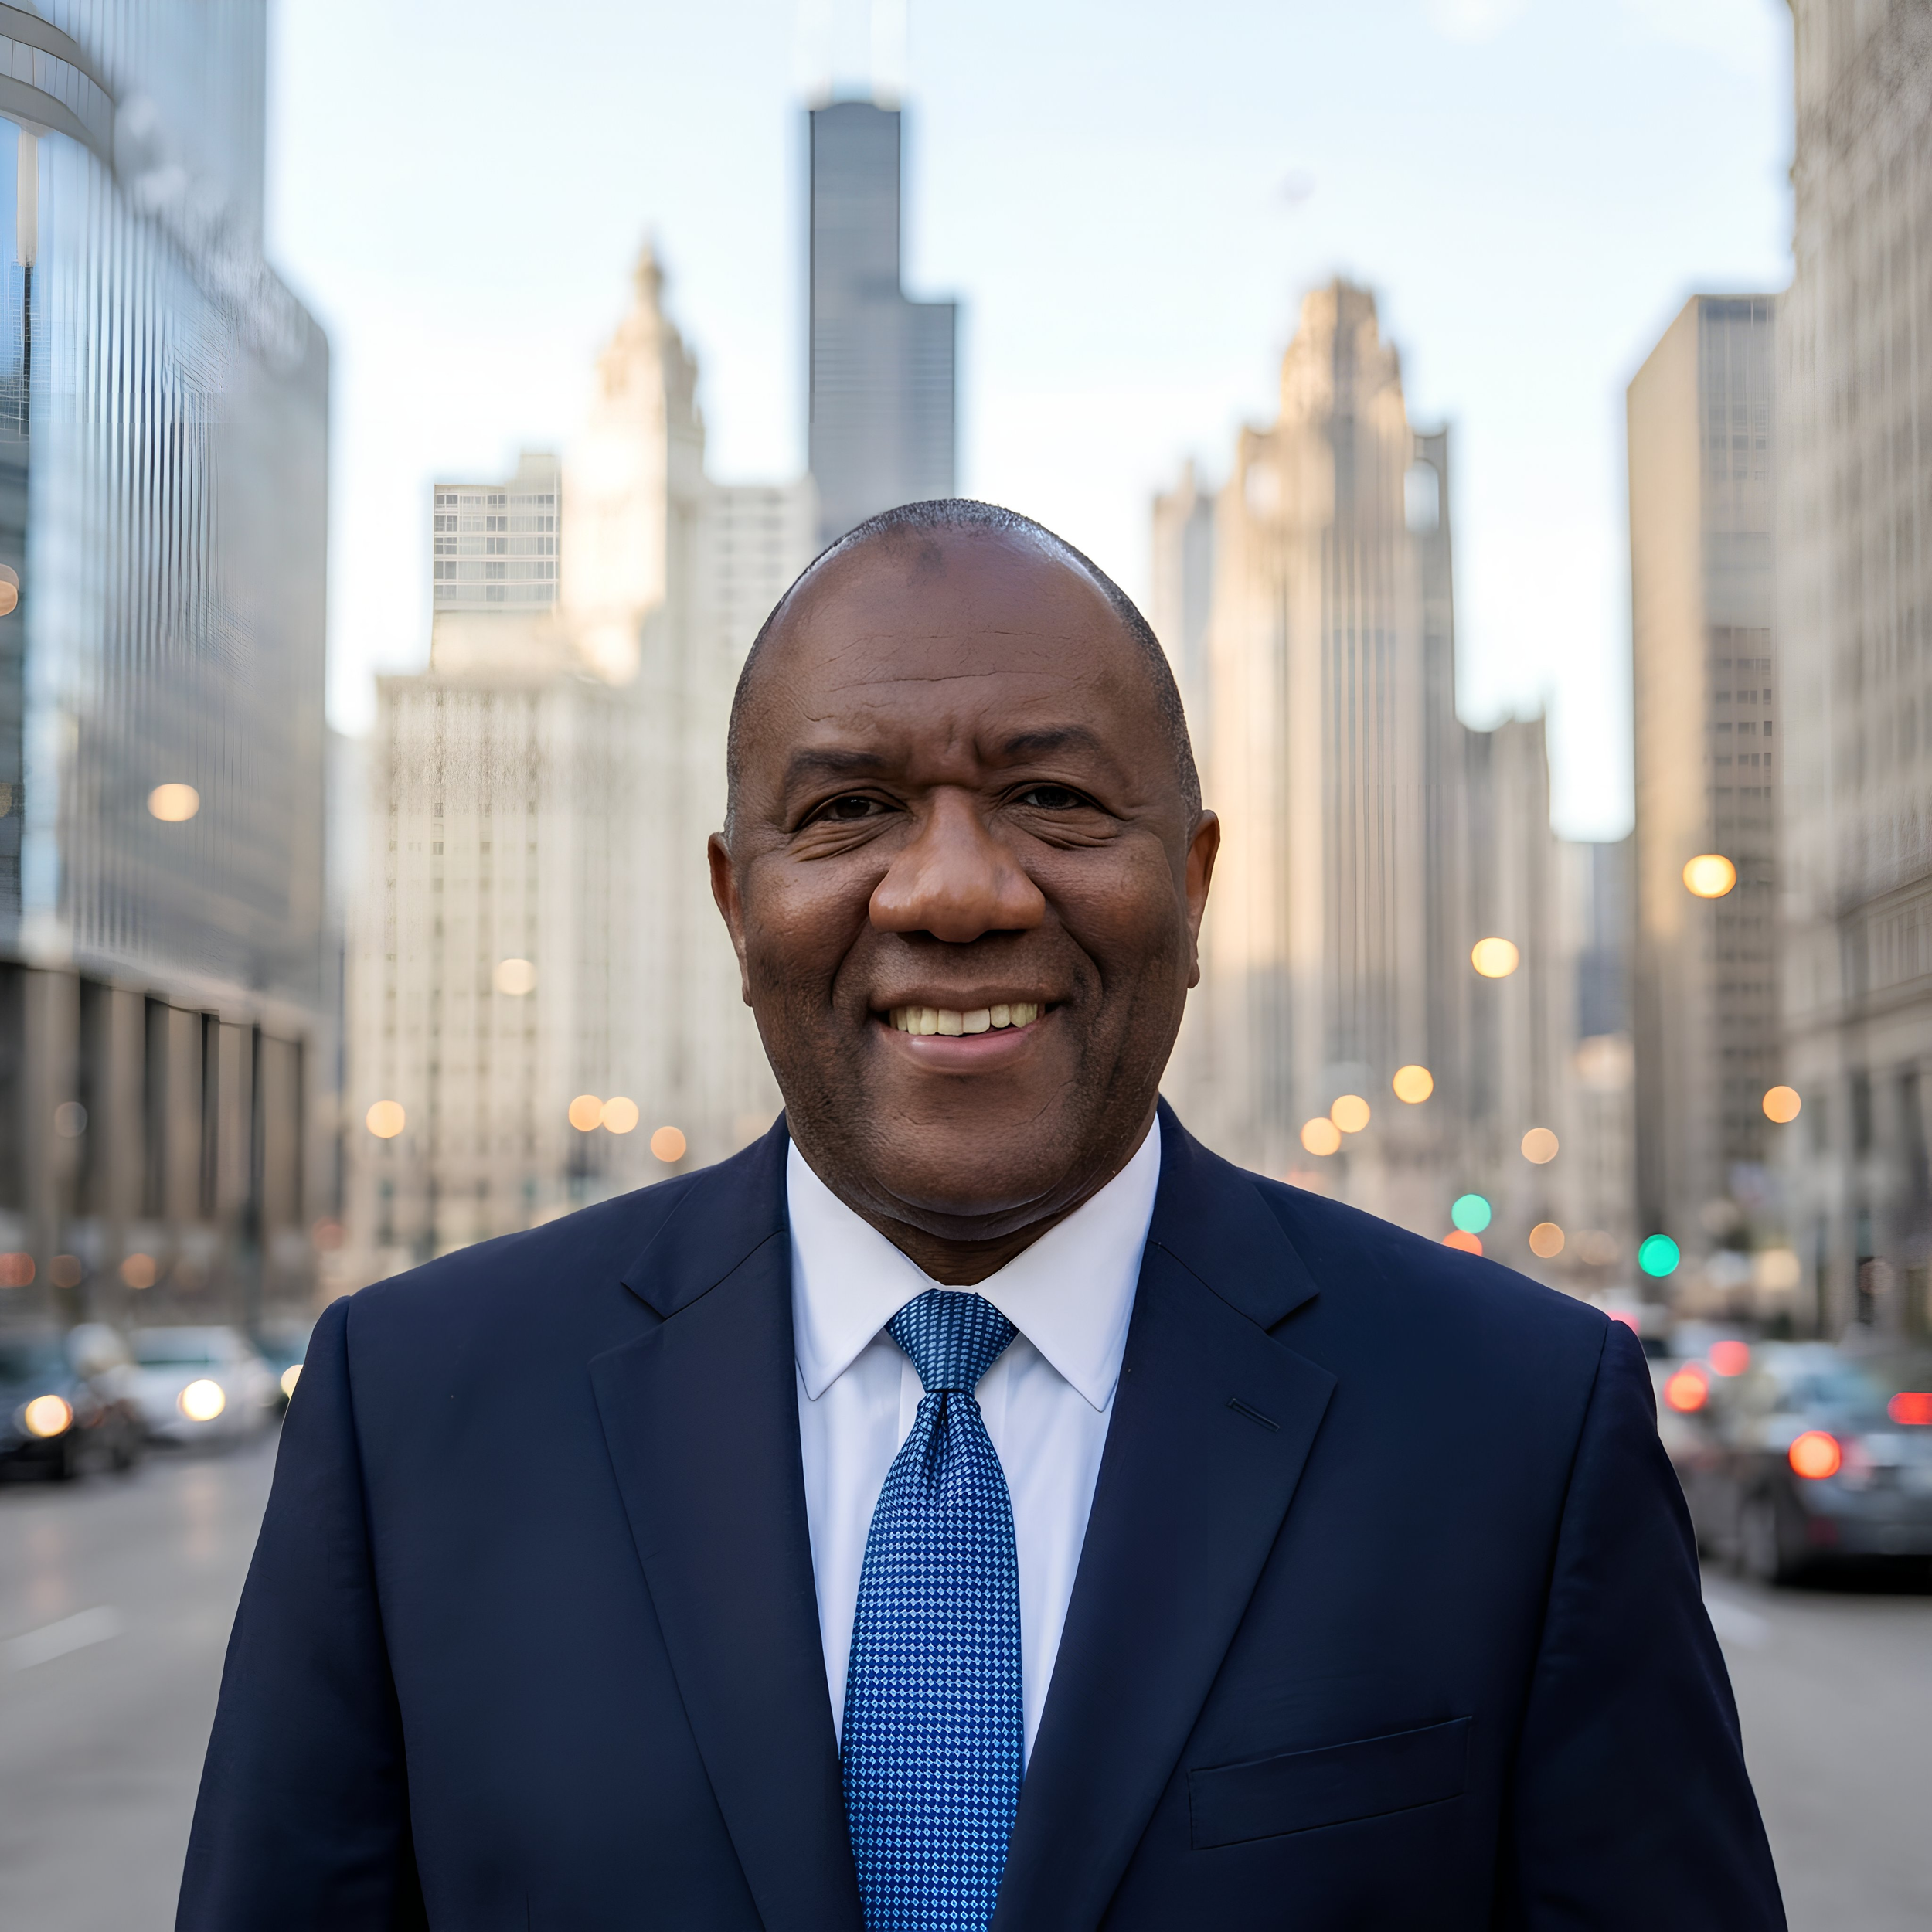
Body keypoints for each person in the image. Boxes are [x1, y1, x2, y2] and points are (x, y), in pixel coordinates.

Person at [179, 501, 1784, 1930]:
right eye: (849, 810)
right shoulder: (416, 1411)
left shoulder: (1515, 1424)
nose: (954, 889)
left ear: (1193, 882)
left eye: (1050, 797)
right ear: (737, 904)